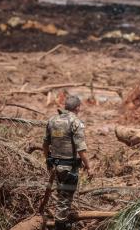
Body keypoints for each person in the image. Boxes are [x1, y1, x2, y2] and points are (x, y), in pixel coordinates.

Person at [43, 96, 92, 230]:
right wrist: (89, 166)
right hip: (69, 168)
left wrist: (48, 160)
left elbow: (45, 144)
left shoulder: (52, 120)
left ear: (65, 107)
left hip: (56, 165)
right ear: (78, 108)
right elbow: (81, 149)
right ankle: (61, 225)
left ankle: (62, 222)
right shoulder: (76, 122)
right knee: (65, 199)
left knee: (62, 196)